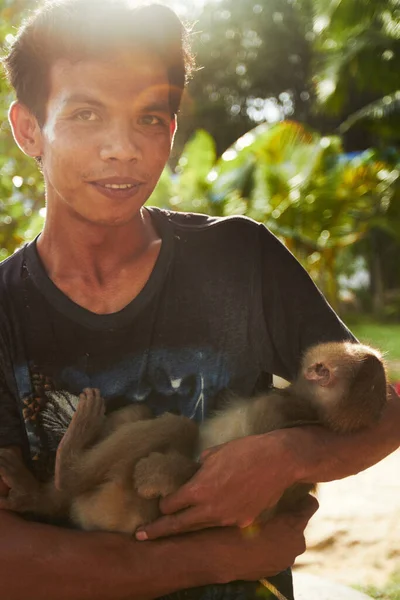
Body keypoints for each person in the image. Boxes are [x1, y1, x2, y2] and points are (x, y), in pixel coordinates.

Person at [0, 1, 399, 599]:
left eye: (150, 119)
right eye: (86, 113)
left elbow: (384, 408)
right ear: (29, 128)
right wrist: (213, 558)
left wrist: (288, 456)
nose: (123, 148)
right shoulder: (5, 313)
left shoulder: (241, 259)